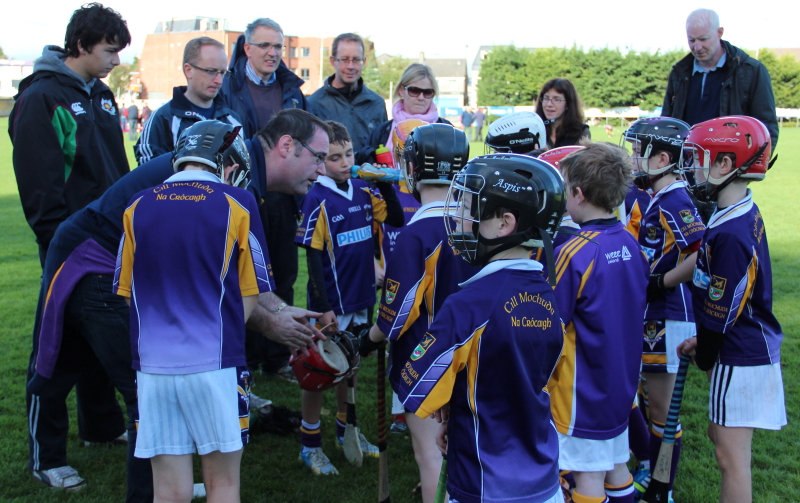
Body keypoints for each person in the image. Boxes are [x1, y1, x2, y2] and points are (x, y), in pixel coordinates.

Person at [28, 109, 332, 501]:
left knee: (151, 421)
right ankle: (90, 470)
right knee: (207, 466)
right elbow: (236, 286)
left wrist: (279, 312)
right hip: (103, 270)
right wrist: (266, 322)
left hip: (150, 334)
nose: (322, 170)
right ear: (287, 145)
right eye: (320, 157)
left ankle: (115, 448)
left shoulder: (156, 196)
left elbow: (204, 276)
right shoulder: (236, 190)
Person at [392, 153, 567, 503]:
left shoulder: (468, 305)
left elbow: (417, 387)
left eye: (472, 210)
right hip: (545, 483)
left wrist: (447, 406)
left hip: (482, 484)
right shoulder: (551, 297)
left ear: (505, 223)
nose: (461, 220)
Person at [8, 2, 132, 492]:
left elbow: (117, 172)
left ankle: (102, 428)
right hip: (69, 246)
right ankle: (47, 455)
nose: (116, 61)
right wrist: (58, 244)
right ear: (80, 46)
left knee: (101, 337)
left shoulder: (101, 95)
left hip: (111, 242)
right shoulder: (41, 99)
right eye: (108, 50)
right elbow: (40, 186)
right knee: (55, 350)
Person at [114, 121, 271, 503]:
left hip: (152, 367)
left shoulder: (136, 205)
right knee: (223, 485)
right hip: (215, 362)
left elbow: (125, 292)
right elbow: (251, 294)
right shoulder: (239, 203)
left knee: (169, 490)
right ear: (227, 163)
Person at [357, 123, 472, 502]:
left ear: (413, 170)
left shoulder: (416, 233)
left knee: (430, 457)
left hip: (426, 362)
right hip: (472, 354)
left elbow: (397, 311)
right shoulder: (476, 227)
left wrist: (368, 339)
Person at [678, 115, 785, 503]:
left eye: (698, 158)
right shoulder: (733, 214)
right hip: (744, 347)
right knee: (722, 441)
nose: (691, 168)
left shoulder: (731, 232)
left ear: (725, 164)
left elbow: (722, 307)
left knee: (729, 456)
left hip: (741, 352)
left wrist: (706, 349)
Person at [294, 121, 403, 475]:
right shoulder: (316, 197)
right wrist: (324, 306)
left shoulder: (363, 190)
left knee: (349, 369)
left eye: (349, 154)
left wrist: (386, 185)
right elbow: (312, 256)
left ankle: (346, 432)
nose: (344, 162)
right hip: (330, 305)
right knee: (319, 373)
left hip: (360, 299)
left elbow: (397, 219)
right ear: (320, 162)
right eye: (333, 157)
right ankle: (309, 444)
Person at [549, 143, 650, 503]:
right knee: (615, 465)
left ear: (577, 194)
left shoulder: (574, 252)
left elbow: (551, 325)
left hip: (582, 390)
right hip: (620, 383)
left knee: (586, 476)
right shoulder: (630, 242)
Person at [221, 17, 313, 381]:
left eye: (279, 46)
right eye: (265, 46)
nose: (273, 53)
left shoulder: (293, 89)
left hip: (282, 199)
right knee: (241, 275)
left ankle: (276, 359)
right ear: (246, 48)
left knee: (281, 274)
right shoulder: (228, 86)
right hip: (242, 195)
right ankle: (241, 355)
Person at [622, 117, 705, 501]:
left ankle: (662, 488)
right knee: (653, 405)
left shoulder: (674, 198)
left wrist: (661, 281)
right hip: (653, 315)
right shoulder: (657, 195)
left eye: (640, 152)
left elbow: (699, 250)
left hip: (669, 315)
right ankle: (654, 477)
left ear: (665, 158)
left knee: (663, 412)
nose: (634, 159)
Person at [662, 9, 779, 150]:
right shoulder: (678, 73)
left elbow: (766, 128)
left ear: (719, 33)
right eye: (691, 40)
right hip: (684, 167)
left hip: (731, 167)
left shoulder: (751, 71)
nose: (697, 47)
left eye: (703, 39)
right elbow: (666, 123)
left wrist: (750, 168)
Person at [134, 37, 243, 164]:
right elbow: (148, 172)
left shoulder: (233, 120)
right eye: (211, 71)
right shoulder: (163, 118)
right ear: (188, 70)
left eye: (222, 72)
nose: (219, 80)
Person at [308, 33, 387, 158]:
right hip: (327, 177)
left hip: (369, 177)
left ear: (364, 61)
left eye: (356, 60)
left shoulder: (377, 103)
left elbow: (383, 148)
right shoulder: (313, 103)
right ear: (333, 61)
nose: (350, 66)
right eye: (344, 59)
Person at [358, 63, 451, 164]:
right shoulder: (382, 131)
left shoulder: (447, 130)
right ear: (401, 90)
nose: (421, 97)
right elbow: (363, 161)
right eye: (414, 91)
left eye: (427, 92)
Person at [535, 78, 591, 149]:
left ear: (568, 104)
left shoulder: (581, 132)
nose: (549, 104)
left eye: (556, 99)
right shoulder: (533, 130)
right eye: (546, 98)